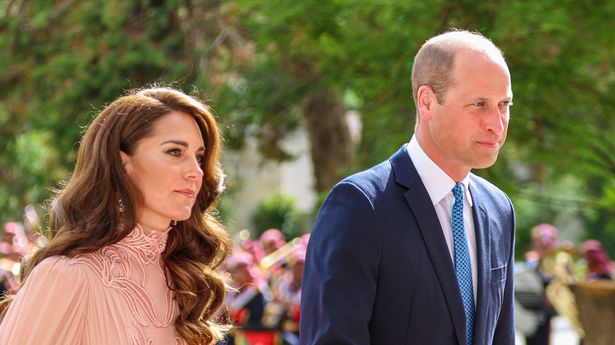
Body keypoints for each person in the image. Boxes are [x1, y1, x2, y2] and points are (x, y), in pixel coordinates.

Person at [300, 29, 515, 345]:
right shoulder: (361, 206)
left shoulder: (499, 210)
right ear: (427, 102)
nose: (496, 123)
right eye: (479, 104)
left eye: (504, 104)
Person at [0, 87, 231, 345]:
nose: (195, 172)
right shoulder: (66, 276)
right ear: (122, 163)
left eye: (199, 157)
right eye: (175, 152)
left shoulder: (184, 279)